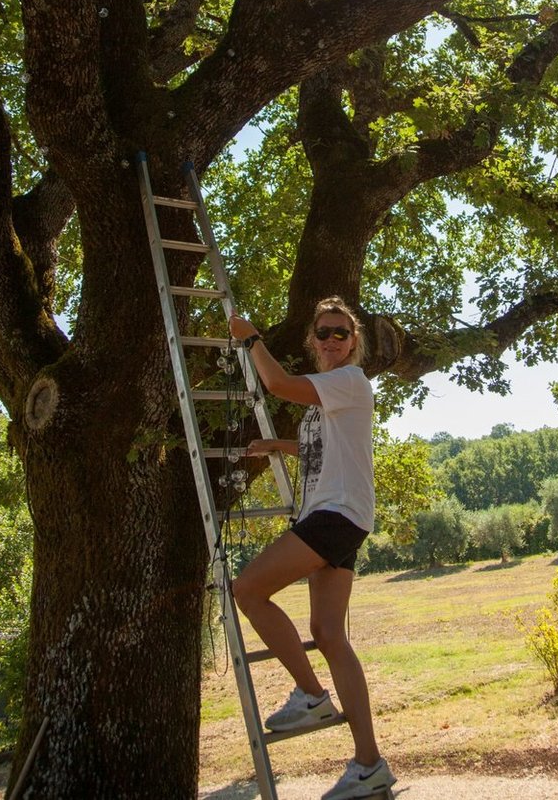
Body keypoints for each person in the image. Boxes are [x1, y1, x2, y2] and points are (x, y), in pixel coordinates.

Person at [228, 297, 396, 800]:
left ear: (354, 342)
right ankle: (369, 763)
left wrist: (250, 338)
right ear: (313, 339)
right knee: (327, 633)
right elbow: (324, 449)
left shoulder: (351, 380)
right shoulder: (331, 392)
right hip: (342, 518)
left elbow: (277, 384)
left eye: (340, 333)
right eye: (322, 333)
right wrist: (280, 447)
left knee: (249, 589)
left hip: (334, 514)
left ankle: (311, 694)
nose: (329, 340)